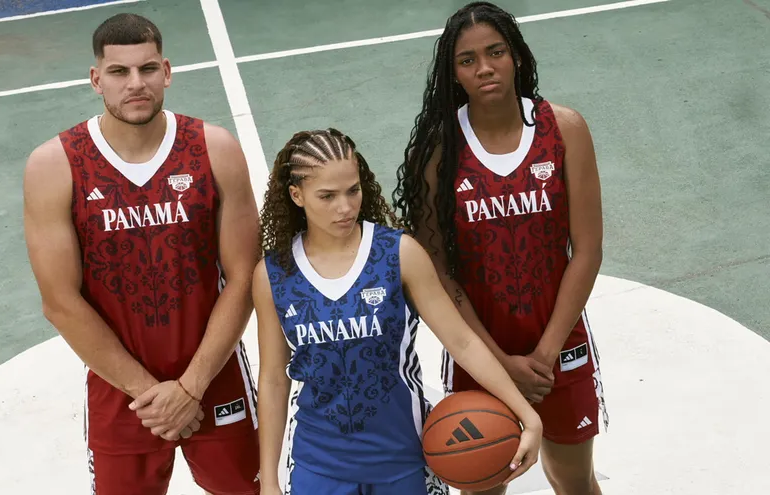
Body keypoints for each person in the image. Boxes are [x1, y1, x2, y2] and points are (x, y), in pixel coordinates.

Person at [22, 13, 261, 495]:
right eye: (119, 71)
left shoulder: (214, 149)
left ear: (166, 72)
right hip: (121, 392)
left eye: (147, 68)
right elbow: (60, 302)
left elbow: (244, 277)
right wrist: (153, 396)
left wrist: (190, 387)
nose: (136, 83)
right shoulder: (55, 165)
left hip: (215, 377)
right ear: (97, 79)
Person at [252, 128, 543, 495]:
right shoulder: (273, 274)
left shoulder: (399, 253)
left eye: (353, 190)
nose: (345, 207)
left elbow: (462, 342)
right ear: (297, 195)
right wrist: (269, 479)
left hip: (404, 457)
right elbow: (274, 379)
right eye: (327, 196)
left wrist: (527, 414)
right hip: (318, 462)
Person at [392, 3, 608, 495]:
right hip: (479, 348)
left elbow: (588, 250)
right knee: (482, 482)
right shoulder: (439, 148)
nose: (484, 68)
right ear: (453, 73)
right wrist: (498, 362)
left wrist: (545, 355)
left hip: (559, 345)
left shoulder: (564, 128)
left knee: (573, 480)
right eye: (467, 60)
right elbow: (436, 271)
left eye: (495, 52)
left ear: (517, 57)